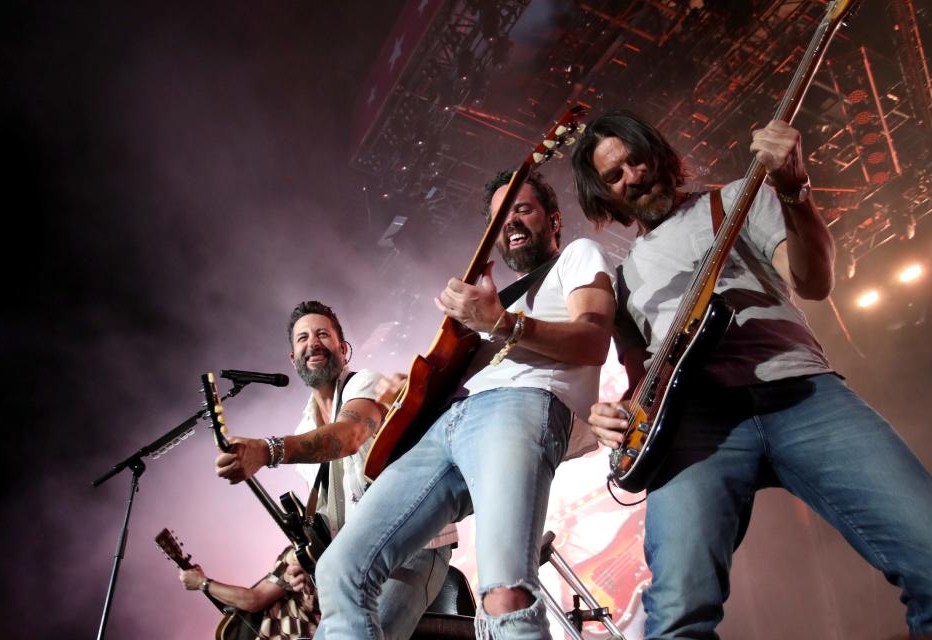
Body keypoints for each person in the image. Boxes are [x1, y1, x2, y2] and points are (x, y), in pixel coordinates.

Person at [571, 109, 932, 638]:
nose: (634, 176)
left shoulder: (738, 198)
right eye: (615, 175)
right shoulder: (621, 282)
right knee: (676, 615)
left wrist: (793, 191)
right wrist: (619, 414)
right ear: (604, 196)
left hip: (799, 393)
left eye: (636, 159)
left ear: (657, 154)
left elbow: (813, 281)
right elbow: (640, 380)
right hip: (695, 428)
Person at [311, 170, 616, 639]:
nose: (509, 222)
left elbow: (593, 340)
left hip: (522, 405)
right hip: (451, 422)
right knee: (339, 571)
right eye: (498, 218)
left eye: (522, 209)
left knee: (505, 595)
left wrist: (502, 324)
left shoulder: (578, 256)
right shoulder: (502, 299)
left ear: (554, 219)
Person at [213, 300, 457, 639]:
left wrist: (268, 450)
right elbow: (340, 518)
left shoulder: (364, 385)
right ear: (292, 359)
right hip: (360, 561)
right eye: (302, 338)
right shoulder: (304, 426)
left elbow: (348, 436)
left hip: (414, 549)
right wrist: (307, 560)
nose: (312, 343)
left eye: (322, 334)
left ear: (343, 349)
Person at [179, 546, 320, 639]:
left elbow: (254, 600)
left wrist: (202, 583)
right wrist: (203, 583)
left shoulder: (295, 556)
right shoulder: (293, 557)